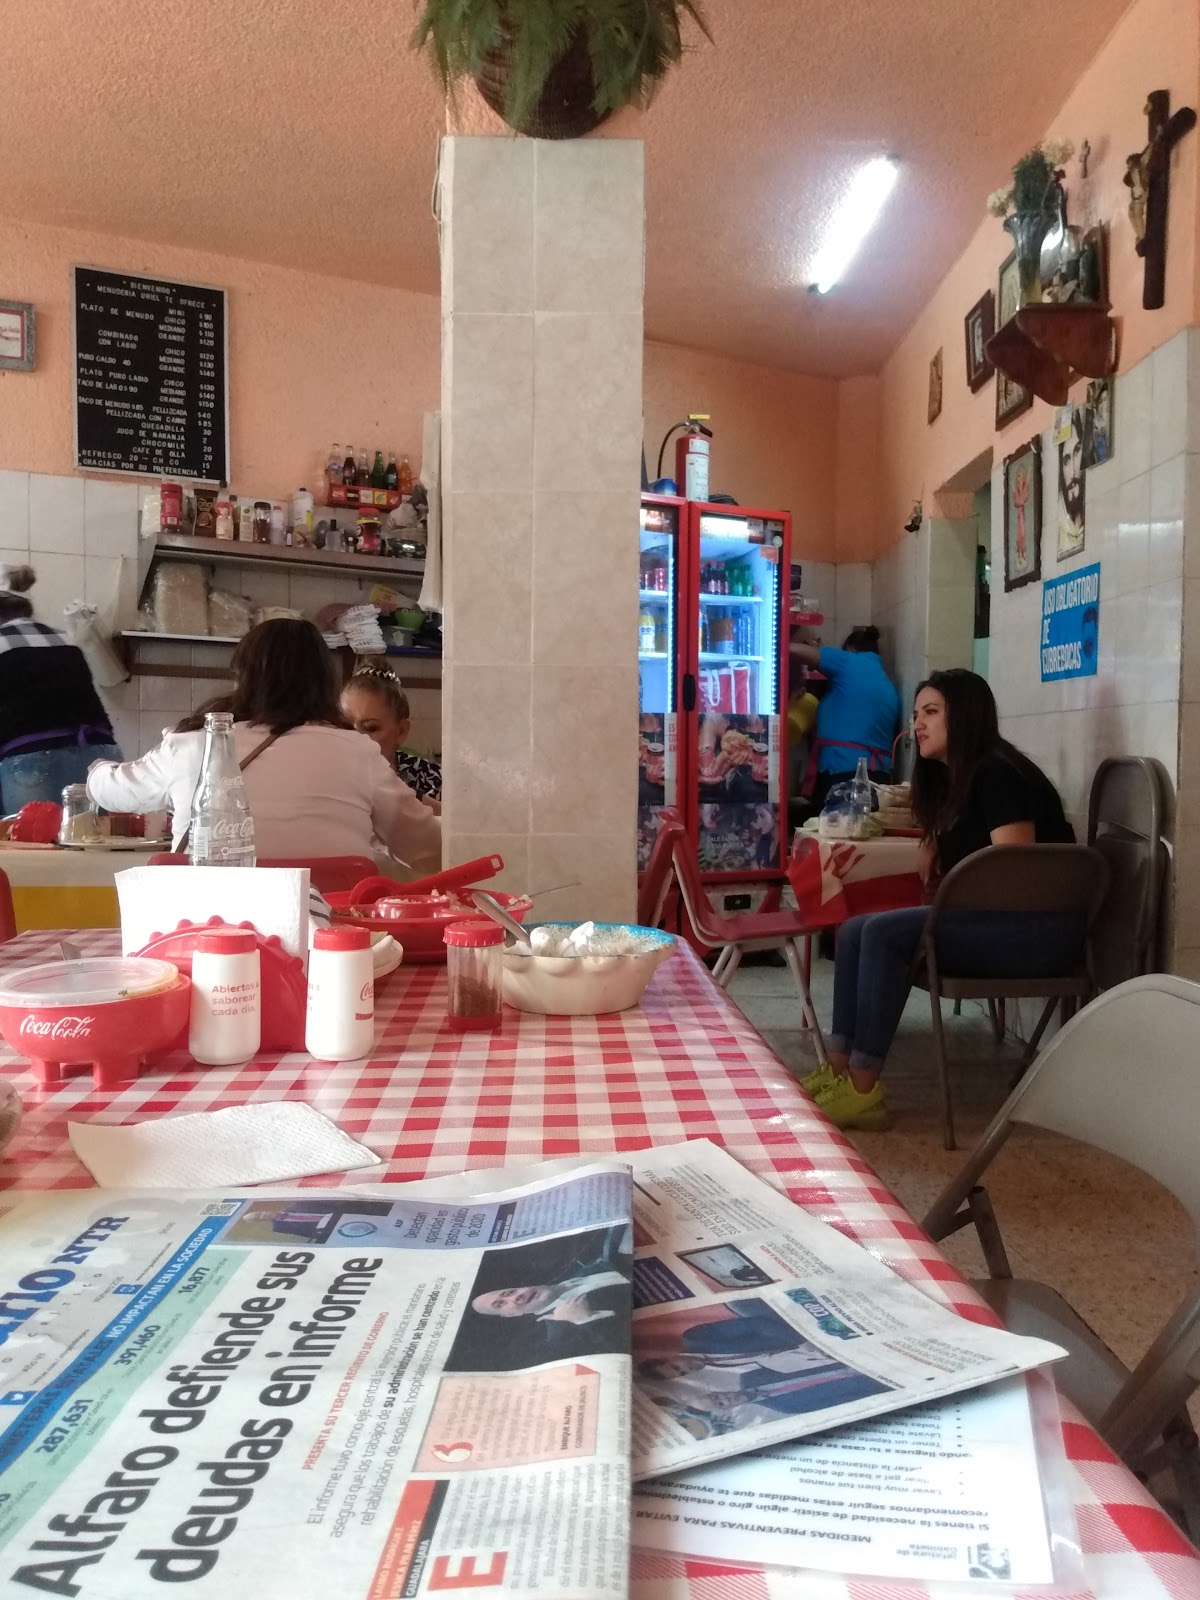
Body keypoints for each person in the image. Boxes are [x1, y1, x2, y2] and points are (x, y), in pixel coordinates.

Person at [805, 669, 1078, 1132]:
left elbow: (1015, 870)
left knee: (883, 932)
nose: (917, 725)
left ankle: (864, 1090)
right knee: (853, 929)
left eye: (930, 712)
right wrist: (935, 837)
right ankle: (838, 1068)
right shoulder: (962, 779)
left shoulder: (998, 773)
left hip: (1036, 932)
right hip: (1001, 923)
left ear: (965, 716)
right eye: (916, 714)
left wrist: (947, 897)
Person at [87, 618, 440, 867]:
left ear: (242, 677)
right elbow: (427, 848)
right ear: (326, 683)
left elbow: (112, 790)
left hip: (215, 936)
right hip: (334, 939)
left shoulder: (195, 745)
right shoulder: (358, 751)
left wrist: (96, 768)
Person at [0, 564, 121, 813]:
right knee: (99, 836)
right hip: (98, 757)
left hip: (31, 762)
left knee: (32, 839)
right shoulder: (66, 640)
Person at [788, 626, 901, 805]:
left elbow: (793, 650)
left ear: (850, 649)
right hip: (878, 778)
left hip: (845, 774)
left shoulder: (850, 661)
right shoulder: (888, 685)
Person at [341, 660, 441, 806]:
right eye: (345, 726)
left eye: (371, 728)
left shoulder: (431, 779)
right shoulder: (328, 778)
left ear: (401, 731)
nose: (354, 737)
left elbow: (456, 818)